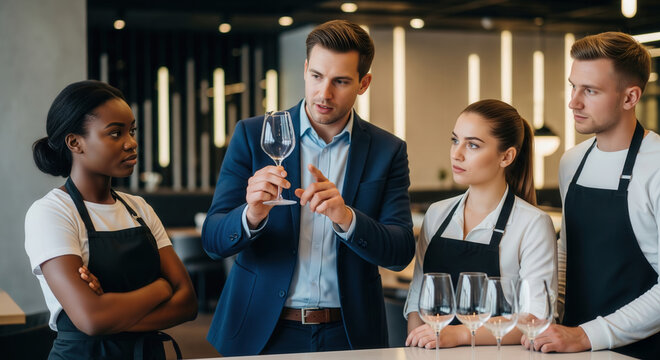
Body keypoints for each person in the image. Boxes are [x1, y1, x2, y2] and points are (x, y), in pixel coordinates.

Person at [202, 20, 415, 356]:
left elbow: (400, 252)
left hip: (350, 334)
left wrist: (347, 218)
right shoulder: (252, 135)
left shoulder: (387, 150)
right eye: (316, 76)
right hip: (262, 332)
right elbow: (214, 240)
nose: (324, 94)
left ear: (364, 83)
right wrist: (251, 216)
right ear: (305, 69)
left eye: (340, 81)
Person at [25, 80, 197, 359]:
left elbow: (187, 302)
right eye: (116, 133)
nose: (131, 143)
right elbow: (91, 318)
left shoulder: (139, 207)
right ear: (75, 142)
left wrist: (110, 311)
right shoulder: (52, 212)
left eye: (131, 131)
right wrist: (162, 287)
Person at [526, 32, 660, 358]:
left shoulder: (657, 166)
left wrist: (586, 335)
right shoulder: (572, 161)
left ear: (630, 97)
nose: (574, 101)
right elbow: (567, 253)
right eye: (574, 86)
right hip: (573, 345)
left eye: (590, 90)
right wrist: (546, 319)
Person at [404, 99, 557, 349]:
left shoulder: (533, 224)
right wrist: (417, 345)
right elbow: (418, 297)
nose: (457, 153)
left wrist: (459, 335)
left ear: (506, 156)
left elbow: (535, 318)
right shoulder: (437, 214)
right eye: (455, 140)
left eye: (472, 145)